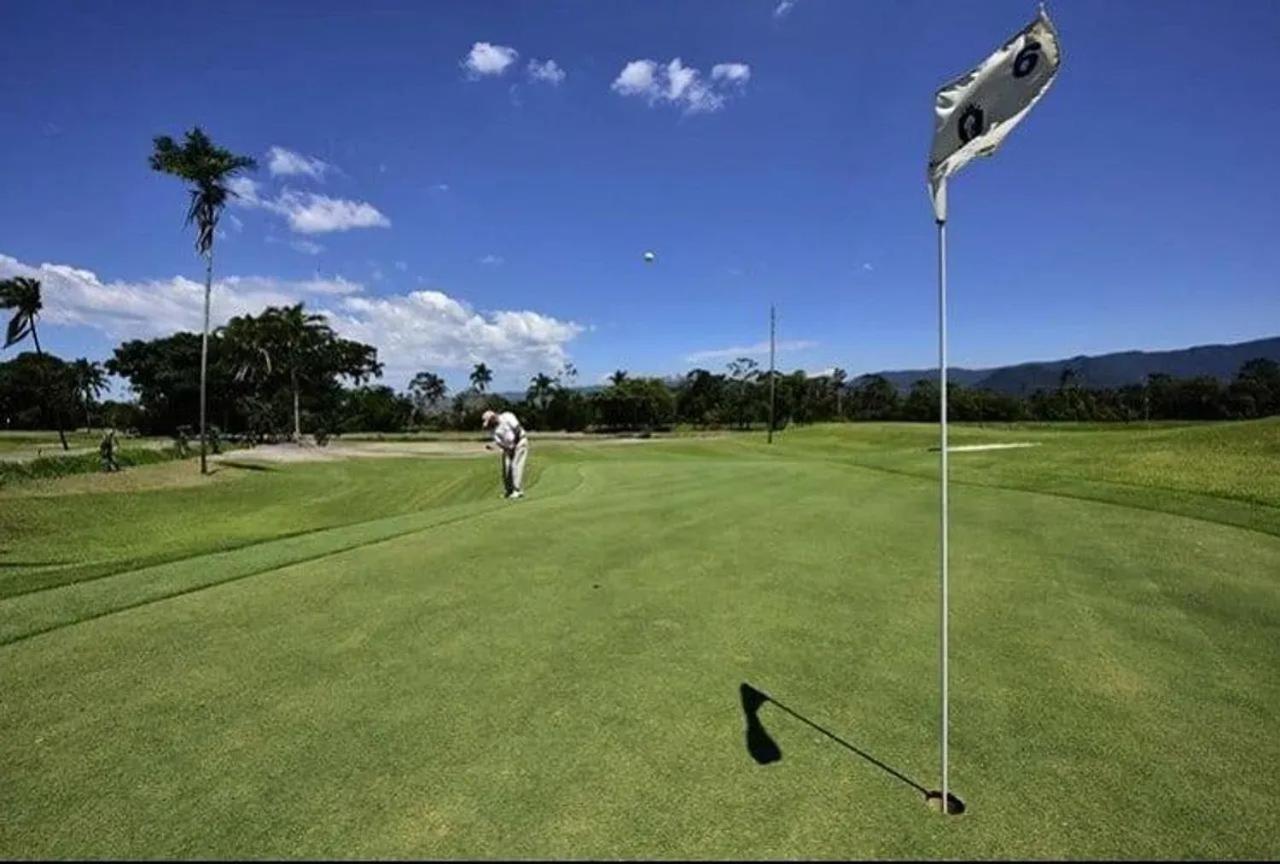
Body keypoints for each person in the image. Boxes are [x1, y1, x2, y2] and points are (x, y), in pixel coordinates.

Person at [482, 409, 528, 499]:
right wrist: (507, 449)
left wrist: (514, 445)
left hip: (520, 442)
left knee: (515, 465)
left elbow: (518, 430)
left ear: (493, 417)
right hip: (508, 448)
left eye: (490, 422)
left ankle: (517, 490)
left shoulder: (507, 416)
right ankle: (509, 491)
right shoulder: (493, 430)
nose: (490, 425)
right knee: (506, 468)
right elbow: (500, 443)